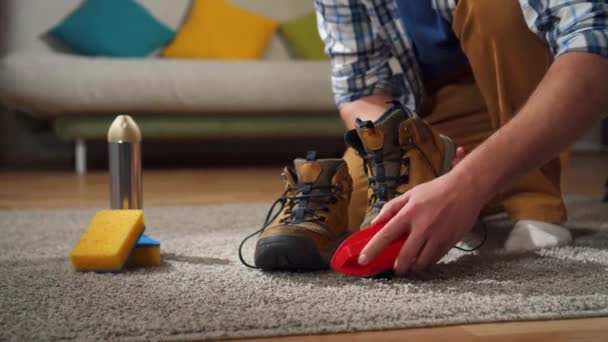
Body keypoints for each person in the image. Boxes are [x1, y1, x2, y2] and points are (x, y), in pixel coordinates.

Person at [244, 0, 607, 273]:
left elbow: (596, 42)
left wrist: (470, 182)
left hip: (530, 90)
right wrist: (402, 146)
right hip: (433, 109)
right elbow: (359, 90)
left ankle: (533, 201)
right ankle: (473, 189)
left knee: (494, 7)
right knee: (359, 211)